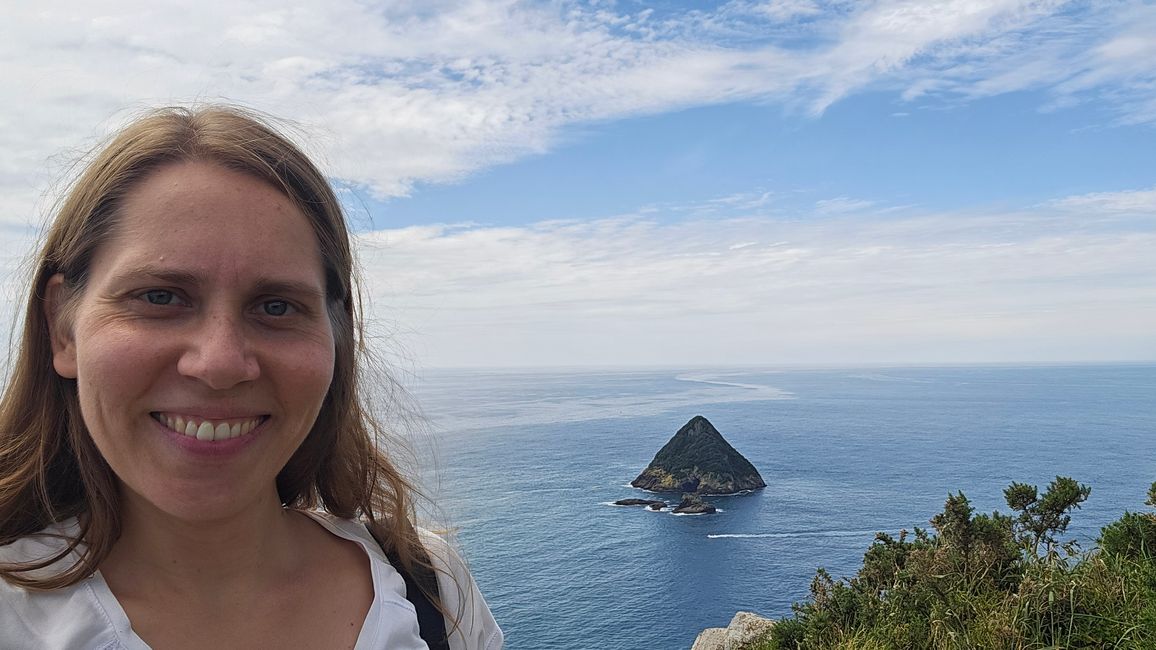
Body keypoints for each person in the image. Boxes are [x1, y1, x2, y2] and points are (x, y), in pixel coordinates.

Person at [0, 106, 503, 649]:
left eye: (277, 307)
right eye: (160, 297)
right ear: (62, 329)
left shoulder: (429, 588)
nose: (218, 364)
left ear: (336, 338)